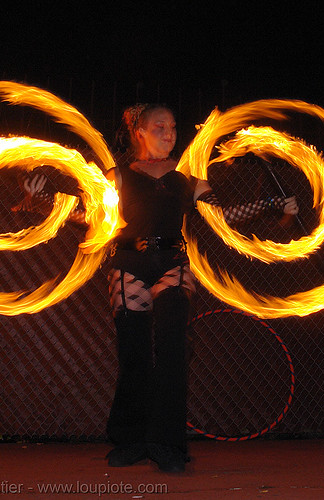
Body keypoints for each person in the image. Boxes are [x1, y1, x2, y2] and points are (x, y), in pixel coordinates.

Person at [15, 103, 299, 473]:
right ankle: (130, 441)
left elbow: (221, 217)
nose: (169, 133)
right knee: (133, 355)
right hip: (128, 264)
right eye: (160, 126)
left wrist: (273, 205)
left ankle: (168, 445)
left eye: (173, 126)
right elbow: (91, 219)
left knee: (172, 353)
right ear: (140, 132)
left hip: (172, 264)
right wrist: (43, 203)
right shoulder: (115, 177)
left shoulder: (188, 179)